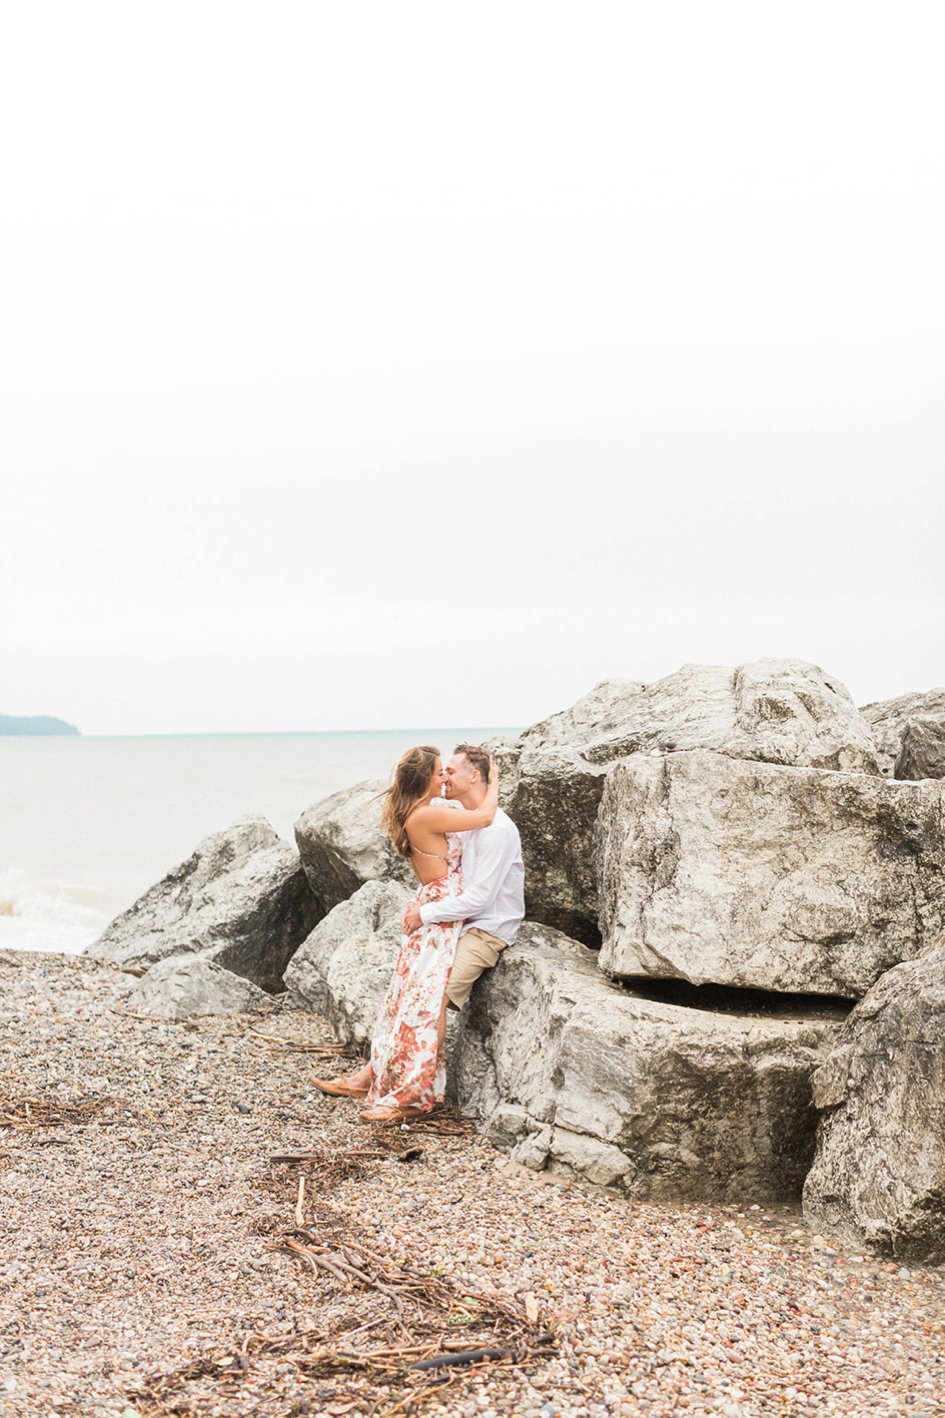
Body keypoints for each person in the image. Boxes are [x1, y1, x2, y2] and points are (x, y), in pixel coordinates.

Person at [312, 744, 499, 1123]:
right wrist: (492, 775)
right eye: (438, 772)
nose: (444, 777)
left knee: (403, 1001)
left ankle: (373, 1077)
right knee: (421, 1007)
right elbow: (485, 816)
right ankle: (409, 1093)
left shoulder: (422, 812)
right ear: (425, 779)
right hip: (439, 915)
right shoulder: (426, 814)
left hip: (433, 908)